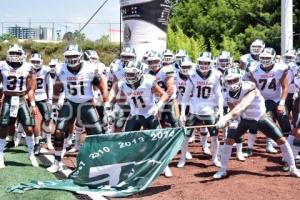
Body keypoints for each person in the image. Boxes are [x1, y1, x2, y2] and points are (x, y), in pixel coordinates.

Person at [213, 67, 300, 179]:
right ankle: (222, 170)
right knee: (229, 140)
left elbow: (242, 105)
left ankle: (293, 168)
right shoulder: (226, 92)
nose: (232, 83)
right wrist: (229, 120)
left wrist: (226, 118)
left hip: (260, 118)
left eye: (235, 80)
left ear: (240, 78)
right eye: (229, 81)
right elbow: (233, 109)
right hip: (243, 119)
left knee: (281, 140)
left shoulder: (250, 86)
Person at [47, 44, 108, 173]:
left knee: (97, 132)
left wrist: (105, 102)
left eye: (74, 56)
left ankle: (98, 161)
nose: (72, 58)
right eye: (69, 56)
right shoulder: (61, 69)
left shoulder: (90, 68)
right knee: (58, 131)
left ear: (80, 56)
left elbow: (102, 84)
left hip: (86, 103)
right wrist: (53, 105)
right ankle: (57, 161)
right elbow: (57, 88)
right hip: (70, 102)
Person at [179, 52, 223, 167]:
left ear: (211, 63)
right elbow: (185, 95)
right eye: (201, 62)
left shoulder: (216, 75)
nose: (204, 65)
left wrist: (221, 114)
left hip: (209, 111)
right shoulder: (192, 74)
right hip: (194, 110)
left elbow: (219, 95)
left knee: (214, 136)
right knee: (186, 136)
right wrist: (183, 113)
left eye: (206, 62)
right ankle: (182, 158)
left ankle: (215, 158)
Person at [0, 44, 39, 168]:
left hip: (22, 99)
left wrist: (33, 104)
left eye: (17, 54)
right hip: (7, 98)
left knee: (29, 127)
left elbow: (31, 88)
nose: (15, 56)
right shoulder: (2, 65)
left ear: (22, 55)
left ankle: (31, 154)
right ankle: (0, 154)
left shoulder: (28, 67)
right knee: (3, 126)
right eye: (12, 53)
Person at [247, 48, 291, 155]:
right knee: (268, 122)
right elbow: (252, 87)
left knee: (285, 122)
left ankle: (289, 148)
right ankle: (267, 144)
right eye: (263, 58)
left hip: (276, 99)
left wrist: (281, 103)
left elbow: (285, 87)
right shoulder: (254, 69)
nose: (265, 60)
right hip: (262, 100)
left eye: (267, 58)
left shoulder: (280, 68)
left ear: (273, 58)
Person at [30, 53, 53, 153]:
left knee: (47, 119)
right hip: (31, 98)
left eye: (37, 61)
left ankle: (48, 141)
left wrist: (50, 99)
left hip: (43, 97)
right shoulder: (27, 69)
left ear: (41, 62)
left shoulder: (45, 70)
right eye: (33, 61)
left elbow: (50, 85)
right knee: (34, 121)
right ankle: (36, 143)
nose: (35, 63)